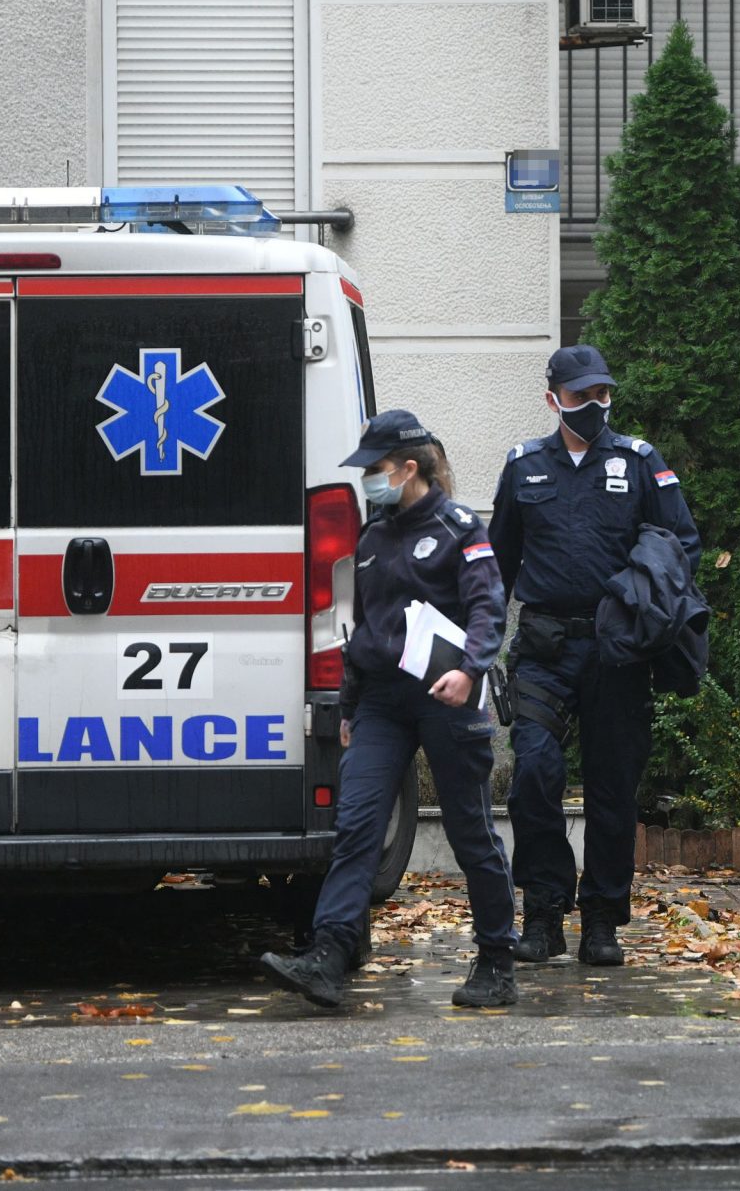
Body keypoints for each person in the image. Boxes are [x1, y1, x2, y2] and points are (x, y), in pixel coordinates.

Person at [261, 411, 516, 1011]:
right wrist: (350, 705)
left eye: (375, 470)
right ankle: (329, 955)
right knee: (356, 827)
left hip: (445, 695)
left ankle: (498, 960)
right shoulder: (373, 537)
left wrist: (470, 668)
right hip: (380, 701)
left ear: (408, 468)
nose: (368, 481)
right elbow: (364, 627)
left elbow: (488, 607)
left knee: (469, 829)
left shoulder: (458, 528)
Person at [490, 345, 702, 965]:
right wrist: (474, 643)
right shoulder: (524, 466)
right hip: (545, 647)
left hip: (618, 650)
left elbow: (680, 545)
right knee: (533, 775)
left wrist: (638, 589)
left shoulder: (639, 462)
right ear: (552, 398)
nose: (594, 406)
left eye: (602, 395)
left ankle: (604, 918)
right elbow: (496, 565)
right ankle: (544, 915)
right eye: (581, 397)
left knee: (613, 787)